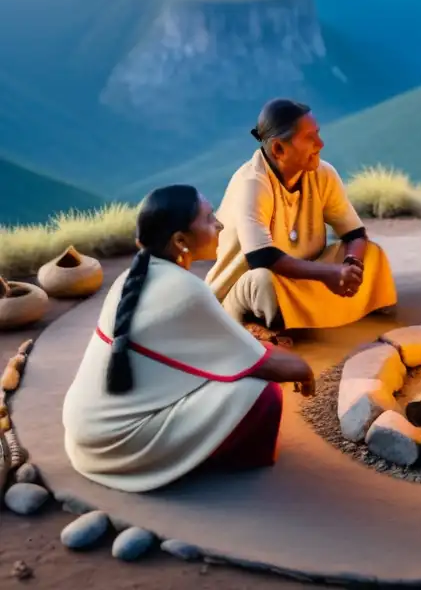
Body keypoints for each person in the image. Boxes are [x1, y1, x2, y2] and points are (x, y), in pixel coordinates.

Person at [63, 185, 315, 493]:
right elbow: (270, 365)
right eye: (209, 219)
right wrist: (304, 369)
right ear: (180, 240)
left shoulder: (131, 278)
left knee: (230, 368)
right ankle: (215, 462)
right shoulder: (186, 291)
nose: (220, 225)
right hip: (119, 445)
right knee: (263, 394)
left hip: (86, 432)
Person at [206, 99, 397, 340]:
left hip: (307, 270)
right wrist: (329, 275)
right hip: (251, 282)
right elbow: (261, 257)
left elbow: (354, 233)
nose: (320, 144)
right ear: (278, 149)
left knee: (371, 254)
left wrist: (351, 265)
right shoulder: (252, 183)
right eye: (310, 138)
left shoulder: (323, 173)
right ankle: (260, 321)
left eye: (318, 134)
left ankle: (299, 319)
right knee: (263, 282)